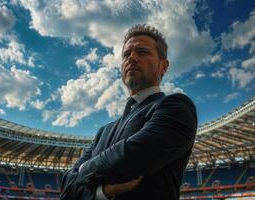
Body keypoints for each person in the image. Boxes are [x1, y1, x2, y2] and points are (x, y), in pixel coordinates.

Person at [60, 24, 197, 200]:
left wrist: (83, 171)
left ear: (163, 66)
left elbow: (133, 156)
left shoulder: (176, 107)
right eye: (126, 54)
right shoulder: (103, 132)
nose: (131, 58)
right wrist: (102, 193)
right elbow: (66, 187)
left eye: (142, 52)